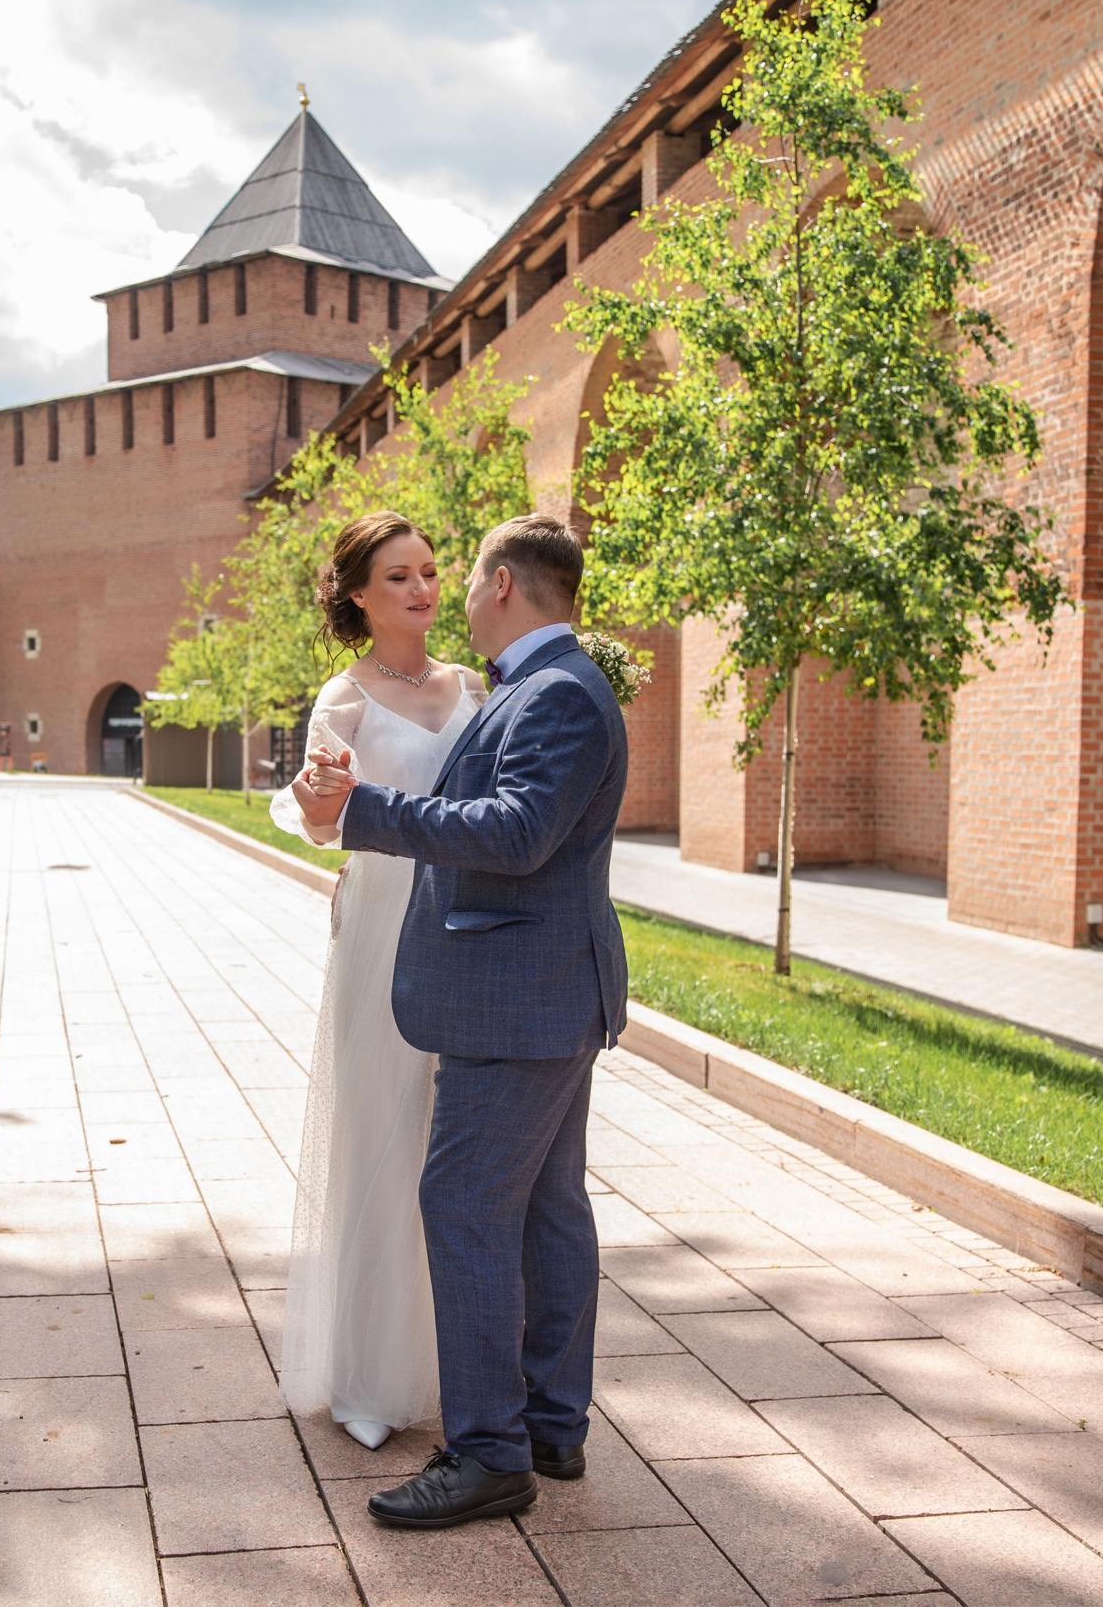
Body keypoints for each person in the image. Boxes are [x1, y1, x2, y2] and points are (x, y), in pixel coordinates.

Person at [291, 512, 629, 1531]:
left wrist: (367, 816)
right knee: (545, 1207)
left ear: (503, 589)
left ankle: (489, 1451)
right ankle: (550, 1425)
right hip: (527, 986)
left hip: (514, 998)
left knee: (468, 1202)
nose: (450, 590)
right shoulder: (539, 685)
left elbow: (517, 832)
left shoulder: (552, 692)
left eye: (463, 573)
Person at [269, 511, 486, 1451]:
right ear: (359, 593)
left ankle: (461, 1359)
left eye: (432, 571)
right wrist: (324, 797)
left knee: (461, 1146)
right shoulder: (344, 698)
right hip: (383, 929)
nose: (423, 589)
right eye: (399, 576)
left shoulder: (478, 686)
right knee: (381, 1136)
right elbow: (323, 820)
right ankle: (368, 1372)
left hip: (477, 924)